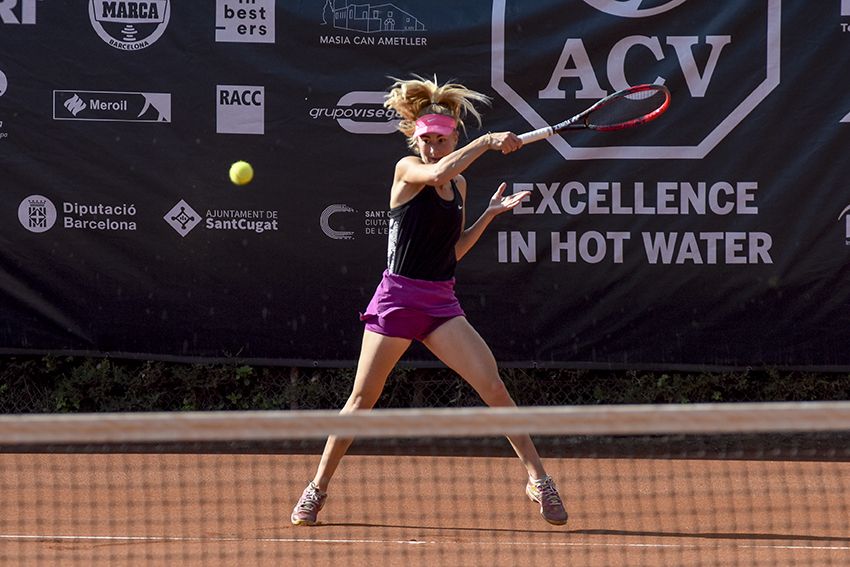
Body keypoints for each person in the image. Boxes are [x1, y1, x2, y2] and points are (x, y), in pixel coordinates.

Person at [291, 75, 567, 527]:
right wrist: (487, 142)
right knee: (361, 400)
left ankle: (539, 479)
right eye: (426, 140)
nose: (432, 148)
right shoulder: (407, 170)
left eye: (441, 139)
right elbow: (437, 173)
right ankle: (316, 489)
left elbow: (451, 251)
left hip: (440, 304)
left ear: (453, 138)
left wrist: (488, 216)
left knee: (494, 387)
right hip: (397, 299)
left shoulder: (460, 188)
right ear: (415, 140)